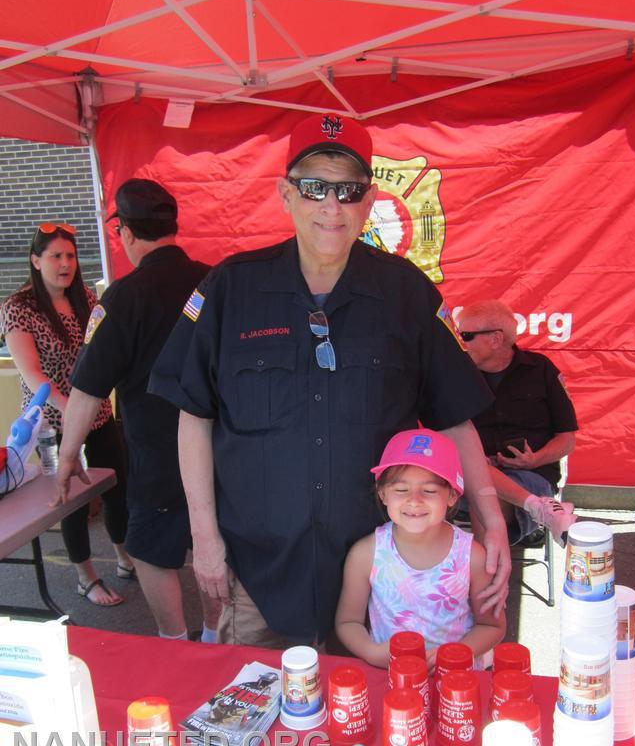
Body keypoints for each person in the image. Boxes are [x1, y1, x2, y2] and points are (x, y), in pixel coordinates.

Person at [148, 112, 510, 649]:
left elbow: (454, 417)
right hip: (258, 570)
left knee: (369, 720)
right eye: (314, 187)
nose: (331, 206)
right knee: (253, 709)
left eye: (348, 190)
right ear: (285, 194)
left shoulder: (406, 293)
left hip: (377, 574)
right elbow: (193, 417)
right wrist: (204, 538)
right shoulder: (231, 288)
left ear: (368, 201)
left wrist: (490, 517)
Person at [54, 179, 220, 642]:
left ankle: (173, 640)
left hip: (157, 450)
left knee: (149, 548)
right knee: (216, 541)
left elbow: (87, 390)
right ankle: (212, 634)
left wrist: (68, 458)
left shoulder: (122, 297)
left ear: (126, 232)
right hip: (222, 444)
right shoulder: (216, 281)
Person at [0, 223, 131, 606]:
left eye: (70, 256)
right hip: (51, 423)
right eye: (56, 256)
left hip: (96, 413)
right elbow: (33, 375)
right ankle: (84, 576)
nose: (65, 264)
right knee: (69, 496)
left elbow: (103, 353)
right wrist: (73, 409)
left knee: (117, 485)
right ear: (36, 260)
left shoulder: (86, 298)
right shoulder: (18, 307)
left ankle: (124, 556)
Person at [335, 428, 505, 671]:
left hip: (458, 685)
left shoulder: (473, 557)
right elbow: (348, 622)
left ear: (452, 495)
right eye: (401, 490)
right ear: (383, 494)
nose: (414, 500)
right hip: (392, 678)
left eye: (430, 490)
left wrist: (456, 654)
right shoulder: (365, 554)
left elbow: (492, 626)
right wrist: (371, 652)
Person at [456, 299, 578, 546]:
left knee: (485, 497)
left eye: (466, 336)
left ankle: (485, 577)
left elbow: (567, 438)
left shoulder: (541, 370)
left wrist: (535, 458)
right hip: (469, 475)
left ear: (496, 339)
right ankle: (542, 510)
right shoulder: (457, 374)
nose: (460, 343)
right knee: (476, 477)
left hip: (531, 475)